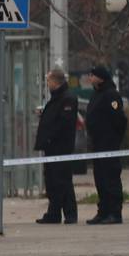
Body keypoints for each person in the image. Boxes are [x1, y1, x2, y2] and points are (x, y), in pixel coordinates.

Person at [85, 65, 128, 224]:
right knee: (100, 179)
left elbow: (119, 120)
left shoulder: (111, 95)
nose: (90, 77)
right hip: (97, 145)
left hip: (108, 145)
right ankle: (103, 211)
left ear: (101, 77)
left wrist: (113, 139)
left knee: (111, 179)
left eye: (92, 75)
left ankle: (114, 213)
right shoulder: (96, 94)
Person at [34, 69, 78, 224]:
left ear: (56, 81)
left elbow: (63, 123)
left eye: (49, 80)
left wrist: (51, 138)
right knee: (52, 181)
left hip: (61, 148)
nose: (47, 83)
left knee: (63, 181)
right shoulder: (56, 98)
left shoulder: (67, 99)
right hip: (51, 147)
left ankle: (70, 214)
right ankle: (54, 213)